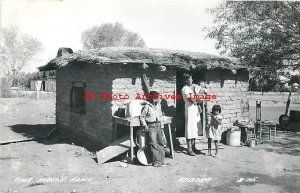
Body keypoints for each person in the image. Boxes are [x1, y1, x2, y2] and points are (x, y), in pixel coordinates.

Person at [140, 91, 167, 167]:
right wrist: (145, 125)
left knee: (161, 143)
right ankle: (156, 162)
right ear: (153, 98)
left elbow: (161, 116)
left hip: (158, 125)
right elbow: (142, 117)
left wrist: (162, 126)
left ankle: (162, 161)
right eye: (157, 98)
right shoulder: (147, 106)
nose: (159, 99)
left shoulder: (158, 105)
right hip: (151, 126)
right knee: (153, 144)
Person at [181, 73, 202, 156]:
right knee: (189, 128)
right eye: (190, 78)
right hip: (189, 109)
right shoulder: (185, 89)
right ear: (186, 80)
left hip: (194, 109)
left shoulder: (190, 89)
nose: (192, 80)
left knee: (194, 128)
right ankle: (189, 149)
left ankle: (193, 147)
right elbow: (191, 99)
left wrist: (198, 105)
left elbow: (195, 101)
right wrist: (198, 98)